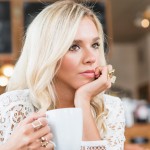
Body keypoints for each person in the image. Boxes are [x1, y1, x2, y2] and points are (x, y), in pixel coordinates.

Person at [0, 0, 125, 149]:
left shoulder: (111, 109)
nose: (91, 58)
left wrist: (83, 100)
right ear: (47, 54)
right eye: (74, 46)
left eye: (95, 45)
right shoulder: (11, 107)